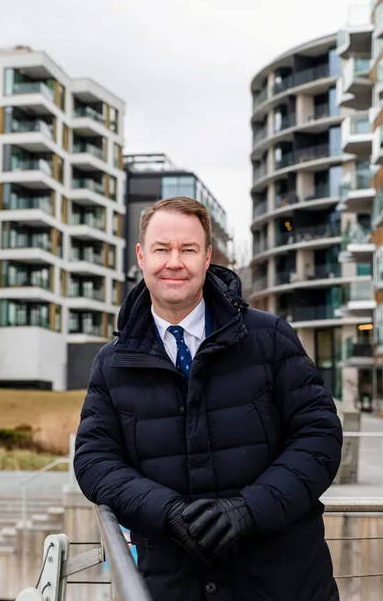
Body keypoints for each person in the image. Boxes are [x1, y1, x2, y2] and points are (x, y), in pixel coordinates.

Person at [73, 196, 344, 601]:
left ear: (208, 257)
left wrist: (248, 509)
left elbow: (319, 438)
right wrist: (167, 512)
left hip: (285, 584)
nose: (174, 262)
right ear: (142, 256)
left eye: (188, 249)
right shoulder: (112, 363)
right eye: (162, 249)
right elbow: (95, 461)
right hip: (175, 585)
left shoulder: (269, 337)